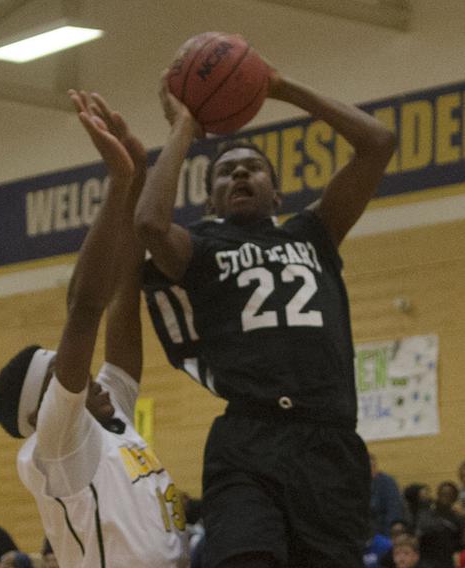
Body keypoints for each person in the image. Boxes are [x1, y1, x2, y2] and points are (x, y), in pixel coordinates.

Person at [135, 58, 396, 567]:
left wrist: (280, 87)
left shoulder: (312, 232)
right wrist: (184, 129)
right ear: (210, 197)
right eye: (224, 171)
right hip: (248, 439)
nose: (237, 173)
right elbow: (148, 222)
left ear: (276, 192)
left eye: (251, 167)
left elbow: (378, 143)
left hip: (330, 444)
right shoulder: (202, 247)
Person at [0, 89, 188, 567]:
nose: (87, 376)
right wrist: (118, 184)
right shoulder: (56, 446)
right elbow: (84, 310)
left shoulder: (112, 411)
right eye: (61, 373)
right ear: (41, 413)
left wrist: (140, 177)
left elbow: (122, 292)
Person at [418, 481, 465, 568]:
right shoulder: (427, 512)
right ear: (438, 494)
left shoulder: (458, 517)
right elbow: (422, 532)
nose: (446, 496)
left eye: (449, 494)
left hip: (450, 557)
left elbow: (462, 541)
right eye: (443, 493)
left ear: (454, 497)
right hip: (429, 557)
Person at [371, 453, 406, 537]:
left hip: (382, 530)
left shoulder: (387, 482)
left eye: (372, 466)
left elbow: (393, 510)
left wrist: (387, 536)